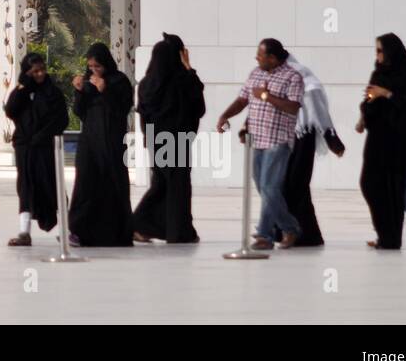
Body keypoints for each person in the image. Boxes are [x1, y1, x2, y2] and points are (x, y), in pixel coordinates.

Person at [216, 39, 304, 249]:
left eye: (260, 54)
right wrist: (225, 116)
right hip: (256, 140)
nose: (257, 58)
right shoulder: (256, 73)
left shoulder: (293, 77)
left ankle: (269, 234)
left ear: (272, 58)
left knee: (270, 188)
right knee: (263, 188)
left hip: (278, 141)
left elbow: (293, 107)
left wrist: (266, 96)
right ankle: (284, 229)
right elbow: (242, 100)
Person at [261, 54, 345, 246]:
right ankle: (286, 232)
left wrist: (331, 138)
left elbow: (318, 111)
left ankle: (304, 234)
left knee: (296, 185)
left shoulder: (305, 80)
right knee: (282, 184)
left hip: (302, 138)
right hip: (283, 137)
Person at [131, 33, 206, 244]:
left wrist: (148, 139)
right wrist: (189, 68)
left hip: (157, 140)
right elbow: (198, 108)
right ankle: (174, 231)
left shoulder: (147, 83)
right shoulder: (182, 81)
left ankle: (143, 225)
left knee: (163, 183)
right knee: (176, 186)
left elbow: (143, 114)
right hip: (178, 139)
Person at [359, 33, 406, 249]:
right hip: (378, 139)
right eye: (376, 51)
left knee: (399, 187)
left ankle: (393, 236)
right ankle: (389, 233)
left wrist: (385, 93)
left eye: (380, 50)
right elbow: (370, 100)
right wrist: (364, 116)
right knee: (374, 184)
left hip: (399, 140)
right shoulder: (378, 72)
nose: (377, 55)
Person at [67, 42, 133, 247]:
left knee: (112, 184)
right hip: (90, 142)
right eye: (91, 67)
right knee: (86, 183)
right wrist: (79, 91)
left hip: (112, 142)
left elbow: (123, 108)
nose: (94, 71)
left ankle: (116, 233)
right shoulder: (88, 82)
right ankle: (79, 231)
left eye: (98, 67)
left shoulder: (119, 80)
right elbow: (80, 112)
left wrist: (106, 90)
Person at [4, 53, 69, 246]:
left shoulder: (53, 92)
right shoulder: (22, 90)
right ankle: (24, 232)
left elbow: (61, 119)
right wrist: (23, 87)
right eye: (35, 71)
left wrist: (42, 136)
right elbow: (11, 110)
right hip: (25, 148)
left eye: (42, 70)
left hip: (45, 148)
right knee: (26, 187)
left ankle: (65, 230)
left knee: (51, 186)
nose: (40, 74)